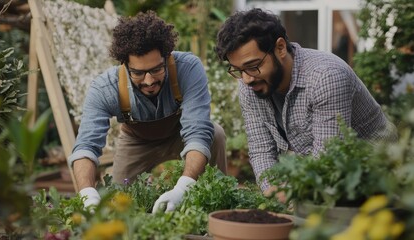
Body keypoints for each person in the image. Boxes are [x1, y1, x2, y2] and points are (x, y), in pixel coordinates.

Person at [215, 8, 396, 194]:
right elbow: (261, 149)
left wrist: (292, 194)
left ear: (280, 48)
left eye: (253, 66)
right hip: (327, 175)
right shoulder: (251, 85)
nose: (246, 79)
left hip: (379, 172)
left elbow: (328, 158)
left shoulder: (325, 77)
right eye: (238, 70)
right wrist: (272, 192)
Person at [68, 10, 227, 212]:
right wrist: (87, 194)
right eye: (138, 73)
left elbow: (197, 131)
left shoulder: (187, 68)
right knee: (120, 204)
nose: (149, 81)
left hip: (180, 135)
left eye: (156, 69)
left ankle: (217, 208)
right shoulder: (104, 88)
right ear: (124, 64)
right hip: (136, 142)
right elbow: (85, 146)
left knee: (215, 133)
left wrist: (183, 187)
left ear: (166, 56)